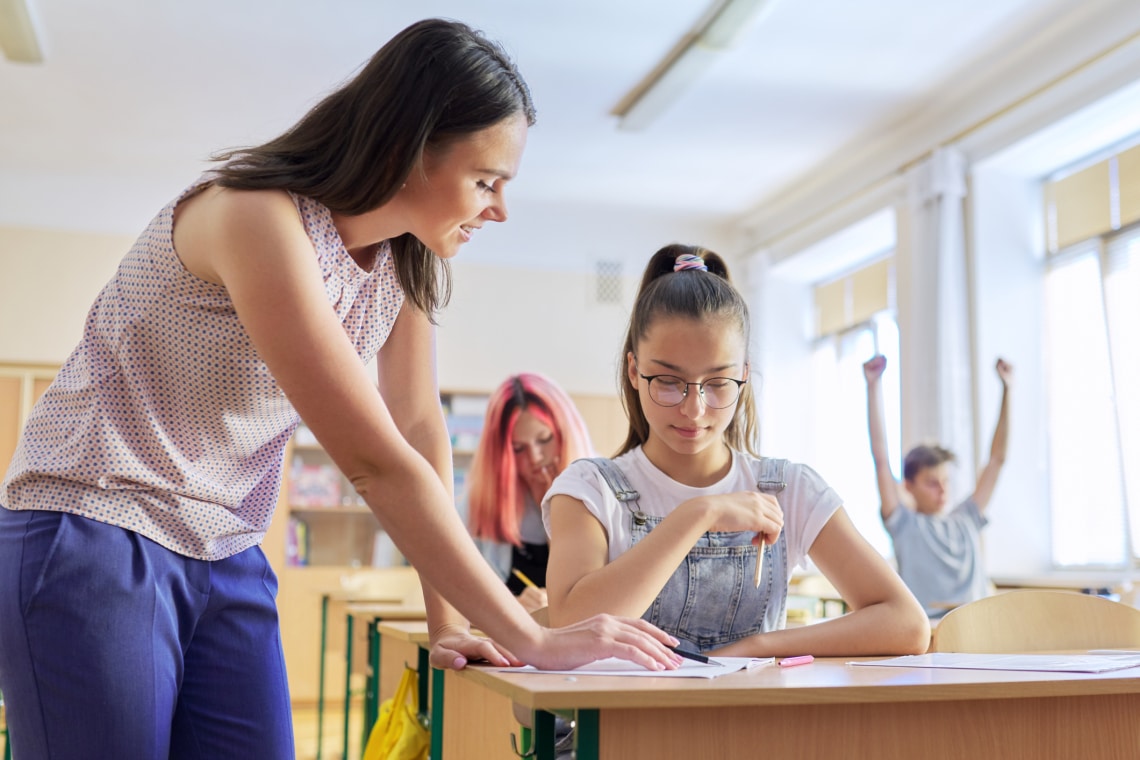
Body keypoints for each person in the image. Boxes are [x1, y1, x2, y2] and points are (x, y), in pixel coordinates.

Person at [0, 19, 681, 760]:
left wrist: (449, 623)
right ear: (411, 148)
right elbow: (374, 462)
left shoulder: (403, 266)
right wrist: (533, 637)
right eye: (487, 181)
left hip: (224, 544)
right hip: (94, 525)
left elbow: (419, 430)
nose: (499, 210)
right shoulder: (256, 218)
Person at [542, 245, 931, 658]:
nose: (694, 409)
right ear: (634, 371)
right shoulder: (589, 489)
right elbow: (571, 624)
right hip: (623, 722)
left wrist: (759, 646)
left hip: (755, 721)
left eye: (718, 383)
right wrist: (699, 515)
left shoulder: (788, 488)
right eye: (669, 381)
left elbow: (906, 624)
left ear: (744, 374)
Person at [863, 353, 1013, 617]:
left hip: (976, 630)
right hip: (930, 633)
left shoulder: (966, 519)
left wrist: (1007, 390)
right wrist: (873, 386)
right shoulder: (905, 525)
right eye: (932, 483)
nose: (942, 490)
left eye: (945, 481)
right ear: (908, 486)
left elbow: (997, 460)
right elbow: (881, 460)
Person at [467, 373, 595, 613]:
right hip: (508, 639)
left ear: (566, 434)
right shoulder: (481, 502)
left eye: (545, 439)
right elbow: (464, 593)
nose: (535, 458)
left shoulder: (601, 490)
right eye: (518, 448)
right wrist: (513, 607)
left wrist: (557, 508)